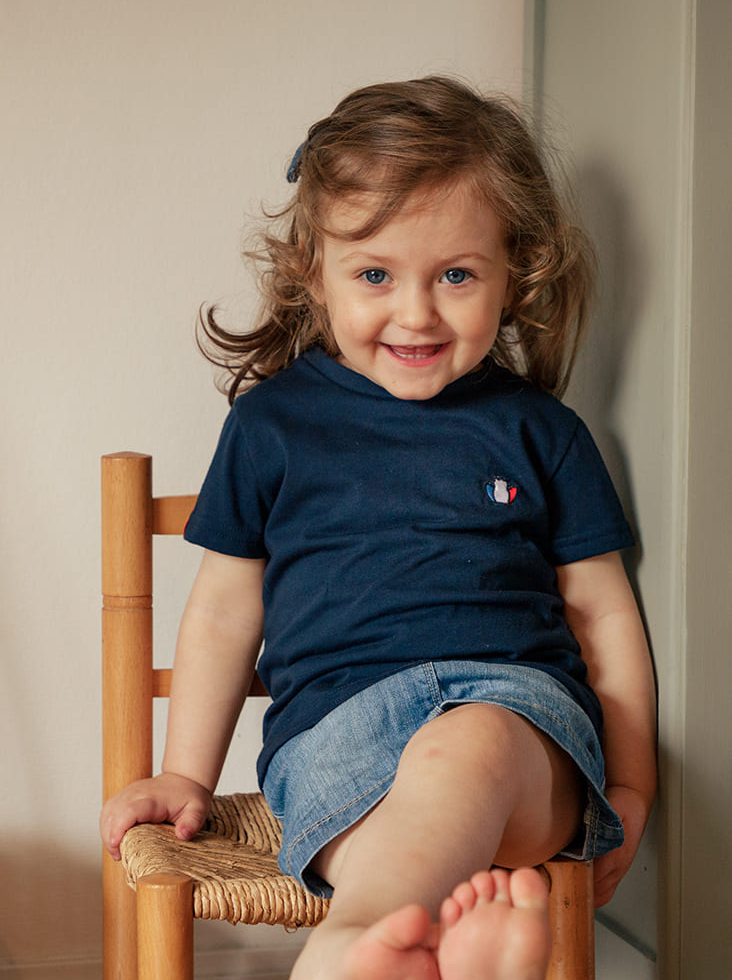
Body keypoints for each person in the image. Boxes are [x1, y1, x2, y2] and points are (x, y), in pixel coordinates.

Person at [100, 77, 657, 979]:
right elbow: (225, 615)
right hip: (336, 741)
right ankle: (439, 946)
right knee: (385, 828)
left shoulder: (542, 432)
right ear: (312, 272)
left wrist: (631, 783)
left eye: (456, 275)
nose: (416, 312)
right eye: (375, 275)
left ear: (513, 269)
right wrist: (185, 776)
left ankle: (360, 940)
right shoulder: (272, 426)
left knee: (465, 746)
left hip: (520, 732)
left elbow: (603, 614)